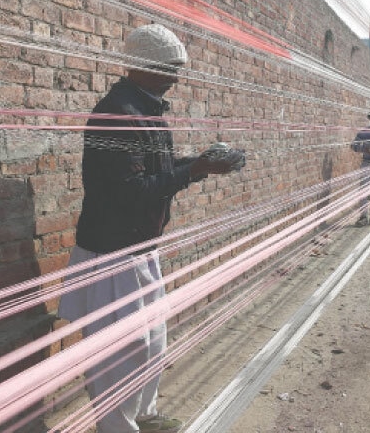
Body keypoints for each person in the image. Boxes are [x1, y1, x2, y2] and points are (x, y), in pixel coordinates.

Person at [58, 24, 244, 433]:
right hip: (111, 254)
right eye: (170, 69)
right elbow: (130, 191)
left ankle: (144, 416)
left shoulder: (147, 110)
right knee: (119, 354)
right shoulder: (118, 115)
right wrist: (196, 169)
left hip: (139, 248)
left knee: (152, 342)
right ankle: (117, 428)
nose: (176, 78)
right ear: (143, 66)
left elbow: (155, 173)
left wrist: (204, 163)